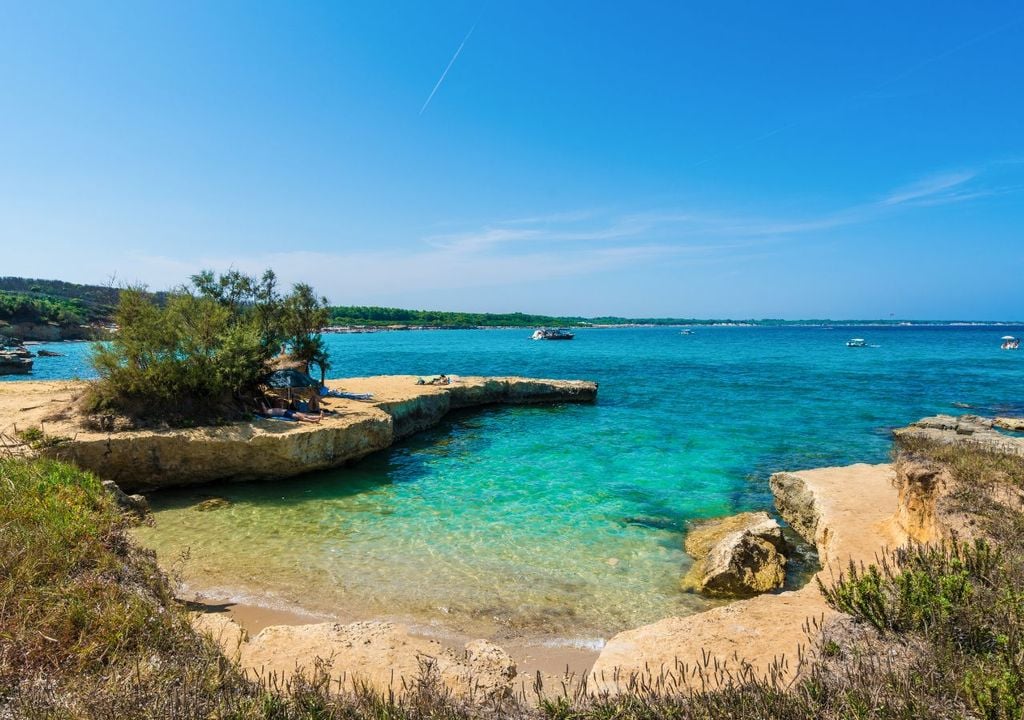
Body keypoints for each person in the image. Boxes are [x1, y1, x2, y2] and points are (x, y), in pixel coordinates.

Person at [256, 398, 322, 423]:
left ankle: (319, 417)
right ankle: (314, 421)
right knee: (300, 417)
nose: (264, 407)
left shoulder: (268, 409)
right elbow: (261, 410)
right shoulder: (266, 412)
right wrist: (261, 403)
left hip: (287, 410)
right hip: (285, 414)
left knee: (304, 415)